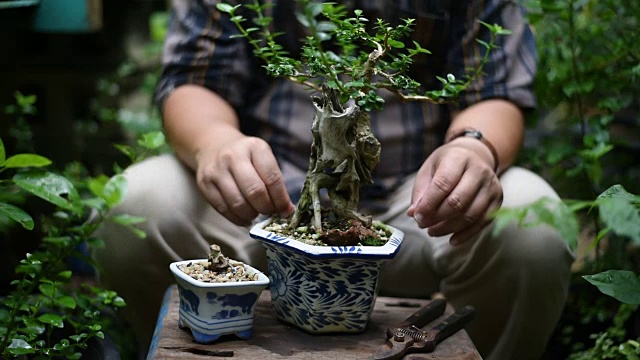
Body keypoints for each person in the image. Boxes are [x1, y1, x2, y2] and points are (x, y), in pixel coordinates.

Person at [94, 0, 575, 358]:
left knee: (533, 223)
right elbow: (192, 80)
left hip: (424, 203)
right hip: (266, 199)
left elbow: (496, 90)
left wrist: (473, 146)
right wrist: (215, 143)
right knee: (138, 201)